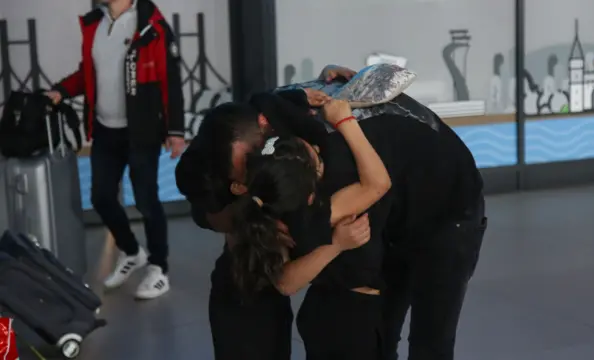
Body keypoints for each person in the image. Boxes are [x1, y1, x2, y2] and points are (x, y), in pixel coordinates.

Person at [184, 83, 487, 360]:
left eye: (246, 178)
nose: (249, 184)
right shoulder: (278, 138)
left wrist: (348, 108)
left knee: (430, 342)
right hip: (389, 220)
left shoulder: (326, 171)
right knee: (385, 331)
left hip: (448, 209)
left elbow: (375, 186)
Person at [175, 67, 365, 360]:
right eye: (243, 171)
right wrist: (244, 215)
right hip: (244, 292)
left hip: (268, 294)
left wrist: (315, 88)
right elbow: (207, 216)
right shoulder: (210, 175)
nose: (257, 169)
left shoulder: (269, 132)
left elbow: (269, 102)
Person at [229, 99, 391, 359]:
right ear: (307, 195)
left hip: (330, 310)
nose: (318, 149)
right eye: (317, 163)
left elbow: (266, 101)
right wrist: (345, 122)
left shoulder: (275, 205)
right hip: (346, 321)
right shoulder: (319, 212)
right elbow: (378, 184)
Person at [45, 0, 185, 299]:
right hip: (105, 129)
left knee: (147, 201)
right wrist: (61, 90)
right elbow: (88, 73)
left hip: (142, 130)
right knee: (101, 196)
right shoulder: (95, 24)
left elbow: (170, 80)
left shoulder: (152, 25)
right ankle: (133, 252)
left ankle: (159, 268)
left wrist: (175, 130)